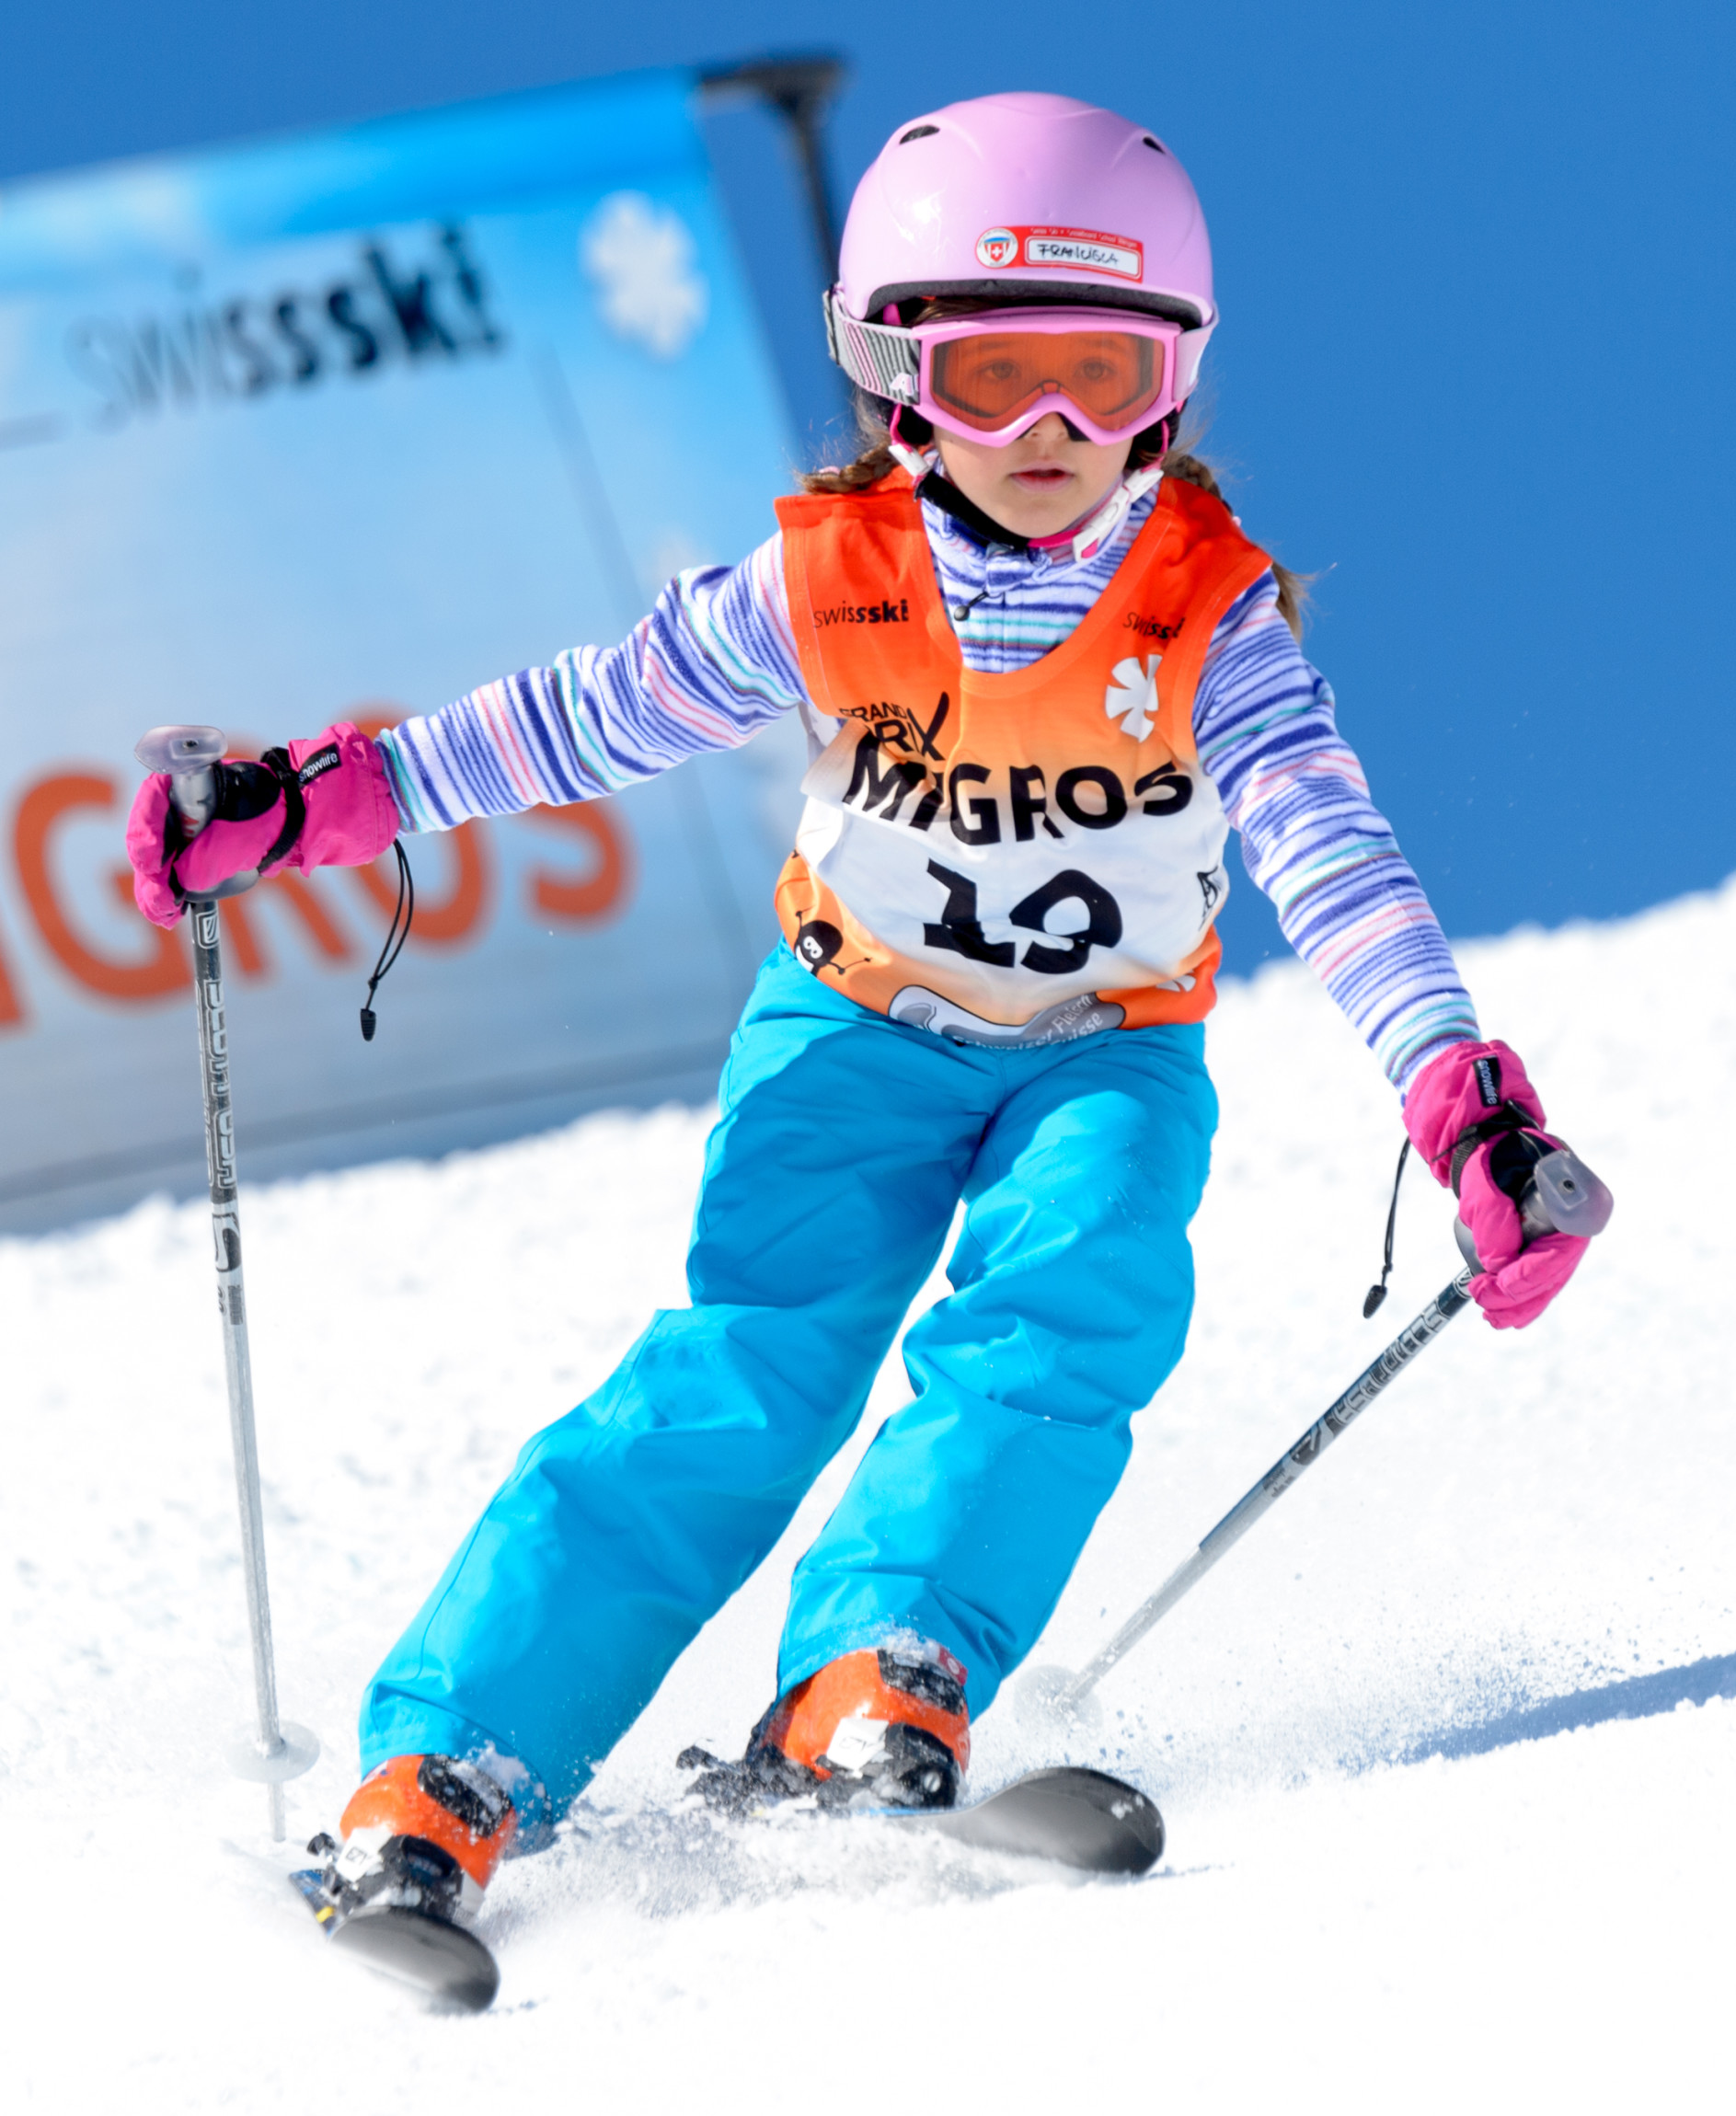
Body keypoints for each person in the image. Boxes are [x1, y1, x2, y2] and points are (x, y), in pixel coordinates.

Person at [122, 92, 1594, 1929]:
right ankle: (450, 1760)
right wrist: (327, 798)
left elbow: (1329, 857)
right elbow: (579, 718)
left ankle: (869, 1672)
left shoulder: (1208, 624)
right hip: (849, 1033)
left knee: (1070, 1309)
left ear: (1173, 386)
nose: (1052, 432)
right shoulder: (830, 581)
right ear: (896, 374)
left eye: (1104, 378)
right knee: (751, 1363)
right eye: (993, 381)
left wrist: (1462, 1102)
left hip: (1103, 1052)